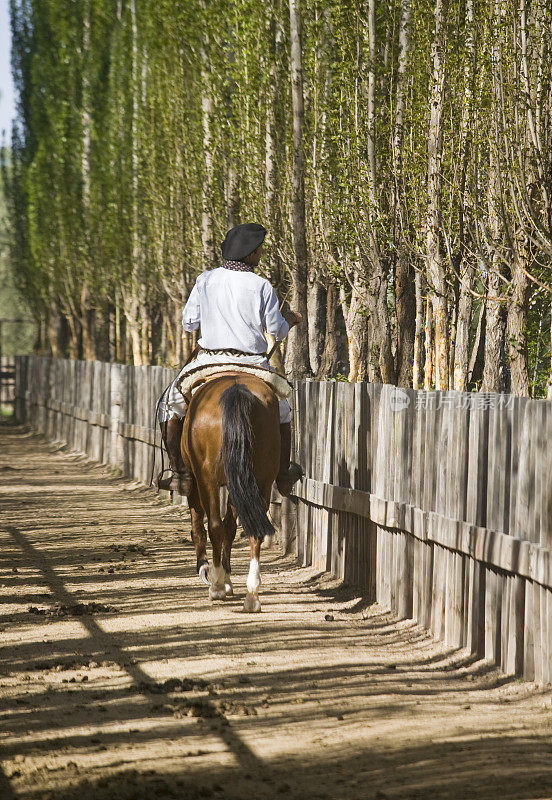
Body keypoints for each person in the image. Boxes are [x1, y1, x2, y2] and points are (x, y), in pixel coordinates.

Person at [157, 222, 303, 498]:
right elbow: (277, 331)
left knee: (169, 405)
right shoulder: (261, 285)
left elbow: (189, 323)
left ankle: (179, 474)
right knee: (282, 410)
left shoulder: (205, 280)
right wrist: (289, 320)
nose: (260, 254)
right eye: (259, 250)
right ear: (250, 253)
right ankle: (283, 475)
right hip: (252, 364)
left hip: (209, 361)